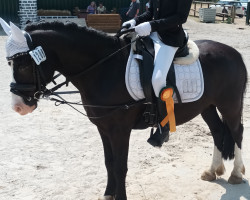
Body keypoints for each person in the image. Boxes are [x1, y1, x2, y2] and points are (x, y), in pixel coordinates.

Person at [122, 0, 193, 147]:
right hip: (153, 35)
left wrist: (151, 25)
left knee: (158, 79)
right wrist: (135, 21)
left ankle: (164, 126)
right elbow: (151, 13)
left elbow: (181, 17)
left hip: (170, 38)